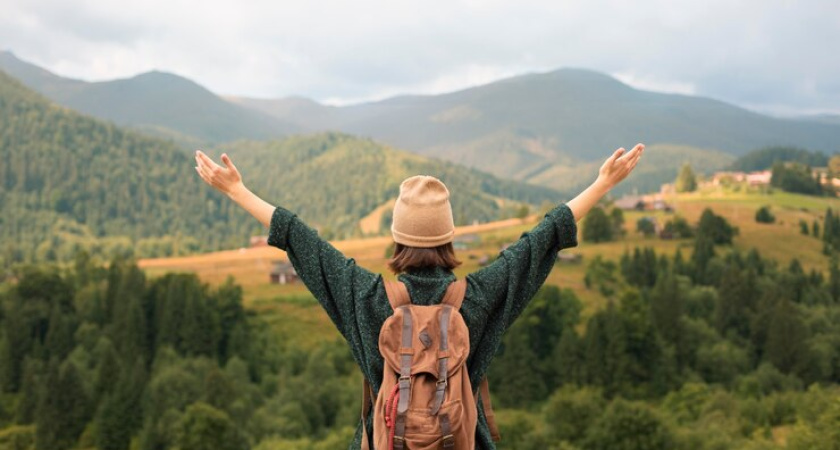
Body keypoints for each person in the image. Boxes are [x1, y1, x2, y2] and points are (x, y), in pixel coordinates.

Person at [194, 143, 644, 449]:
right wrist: (603, 183)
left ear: (396, 238)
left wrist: (235, 188)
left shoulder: (366, 296)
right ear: (448, 237)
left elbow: (301, 240)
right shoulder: (479, 296)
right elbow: (543, 238)